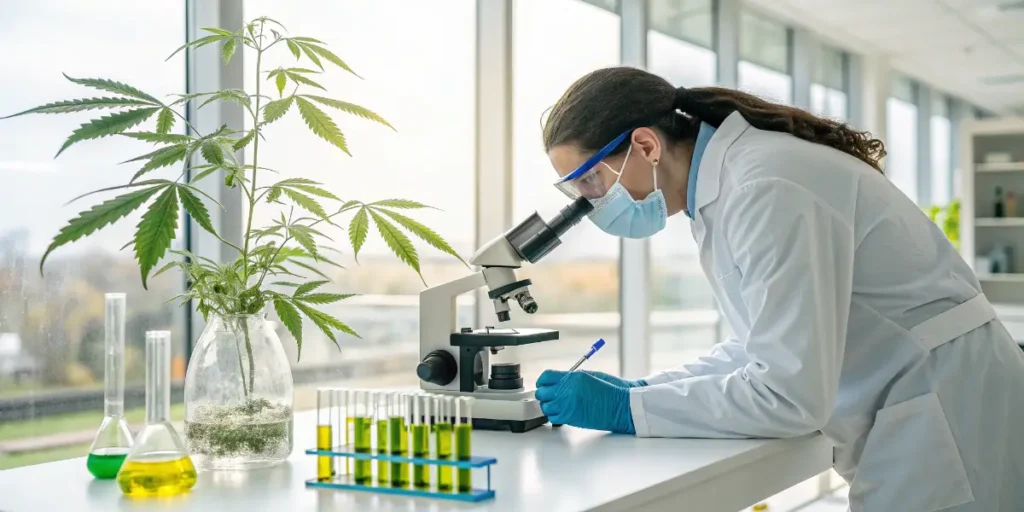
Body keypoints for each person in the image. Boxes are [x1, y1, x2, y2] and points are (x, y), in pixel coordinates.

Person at [533, 66, 1024, 511]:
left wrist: (627, 409)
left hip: (946, 406)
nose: (589, 203)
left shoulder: (764, 186)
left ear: (645, 146)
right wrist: (649, 389)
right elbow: (762, 345)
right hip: (915, 400)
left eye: (591, 180)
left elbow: (789, 395)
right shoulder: (729, 189)